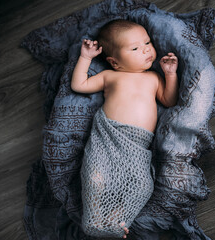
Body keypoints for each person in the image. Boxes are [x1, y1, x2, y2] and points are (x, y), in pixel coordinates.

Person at [71, 19, 179, 238]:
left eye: (147, 42)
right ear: (115, 62)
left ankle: (116, 220)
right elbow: (79, 85)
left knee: (142, 186)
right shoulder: (111, 76)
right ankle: (93, 219)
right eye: (135, 48)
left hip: (137, 147)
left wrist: (170, 74)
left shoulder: (154, 77)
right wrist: (85, 58)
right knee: (95, 177)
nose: (147, 49)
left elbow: (169, 100)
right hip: (108, 138)